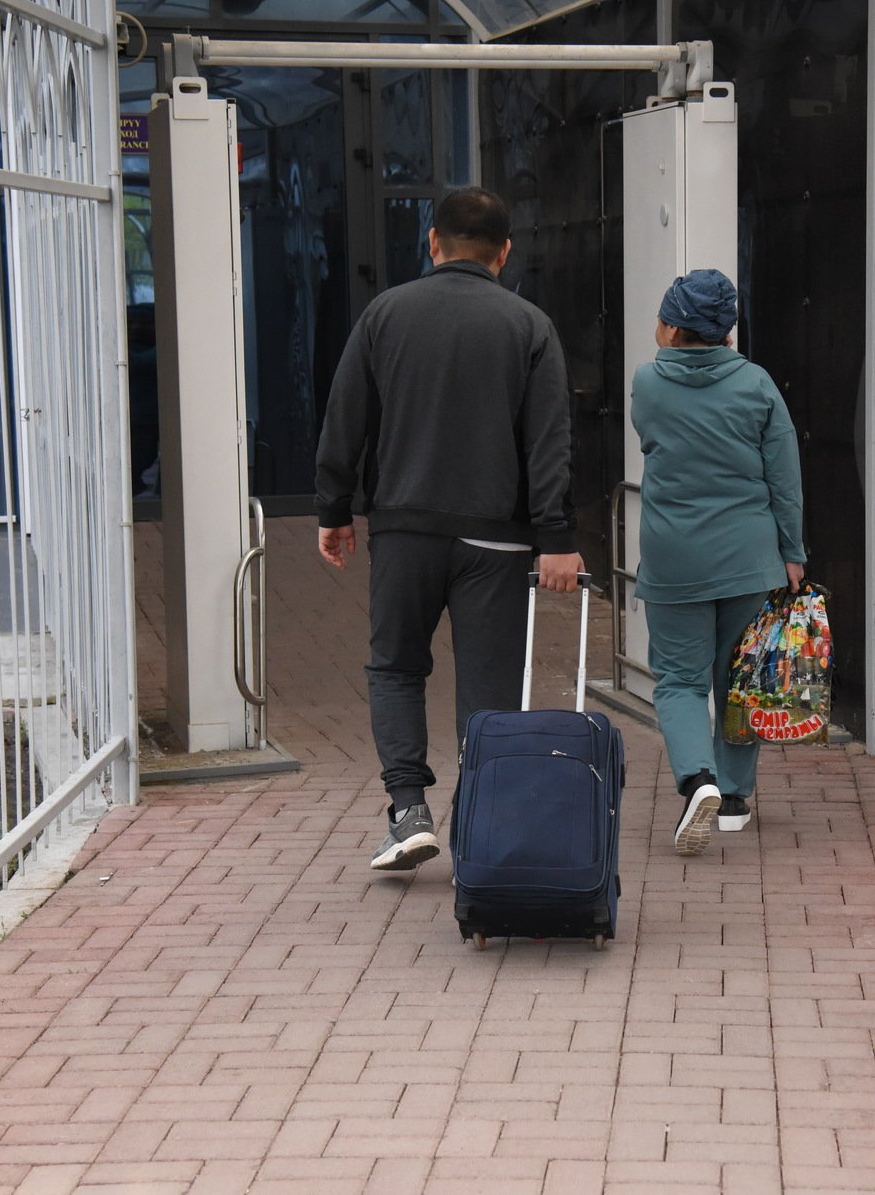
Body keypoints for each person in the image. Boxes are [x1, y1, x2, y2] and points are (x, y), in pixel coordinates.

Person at [315, 186, 585, 873]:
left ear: (432, 242)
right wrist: (555, 536)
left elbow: (346, 415)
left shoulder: (385, 314)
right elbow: (549, 442)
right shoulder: (530, 326)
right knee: (491, 691)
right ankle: (481, 824)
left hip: (404, 529)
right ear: (505, 252)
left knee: (396, 667)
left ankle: (408, 810)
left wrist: (334, 508)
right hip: (497, 538)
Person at [631, 268, 805, 855]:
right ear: (727, 330)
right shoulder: (757, 384)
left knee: (679, 680)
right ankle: (731, 798)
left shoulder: (648, 383)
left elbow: (651, 438)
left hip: (674, 556)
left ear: (671, 326)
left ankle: (696, 779)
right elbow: (784, 478)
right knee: (741, 678)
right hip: (749, 557)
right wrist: (792, 551)